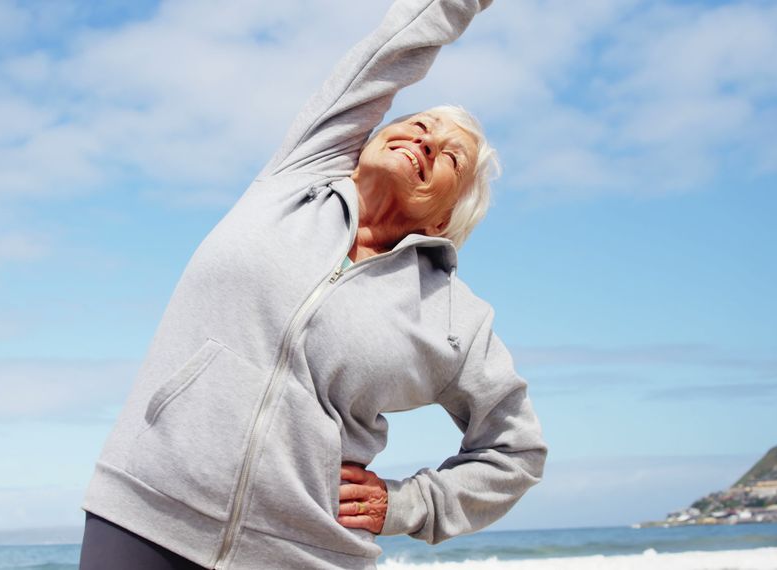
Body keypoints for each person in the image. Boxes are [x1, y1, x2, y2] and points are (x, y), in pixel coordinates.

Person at [80, 0, 547, 568]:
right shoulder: (297, 176)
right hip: (146, 514)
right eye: (419, 125)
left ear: (446, 219)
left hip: (307, 554)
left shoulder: (455, 319)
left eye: (451, 156)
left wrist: (407, 505)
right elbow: (388, 57)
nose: (426, 141)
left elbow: (515, 452)